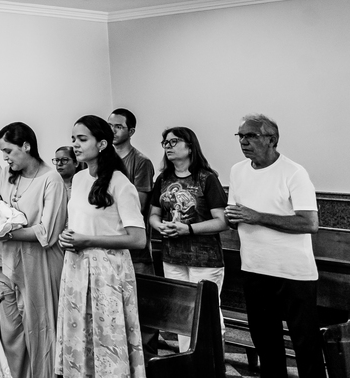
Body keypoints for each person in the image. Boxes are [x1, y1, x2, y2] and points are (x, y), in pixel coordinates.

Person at [226, 114, 324, 378]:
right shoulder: (238, 171)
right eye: (241, 136)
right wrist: (233, 219)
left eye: (251, 136)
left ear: (272, 139)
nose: (244, 142)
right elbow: (236, 214)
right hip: (255, 267)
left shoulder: (293, 172)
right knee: (265, 341)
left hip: (293, 272)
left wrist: (258, 217)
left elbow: (309, 223)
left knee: (305, 343)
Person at [57, 115, 147, 378]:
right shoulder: (80, 179)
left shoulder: (120, 182)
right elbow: (79, 222)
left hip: (107, 272)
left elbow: (138, 239)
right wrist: (67, 237)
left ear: (102, 144)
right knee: (80, 336)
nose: (75, 144)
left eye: (82, 139)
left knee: (107, 337)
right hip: (76, 266)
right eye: (73, 138)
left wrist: (89, 241)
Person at [0, 122, 67, 378]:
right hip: (6, 259)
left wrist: (6, 233)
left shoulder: (50, 179)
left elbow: (47, 231)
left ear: (26, 146)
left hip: (38, 262)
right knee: (10, 331)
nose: (5, 158)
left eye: (8, 151)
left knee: (40, 330)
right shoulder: (8, 175)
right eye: (2, 153)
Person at [148, 127, 228, 351]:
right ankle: (188, 363)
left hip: (204, 258)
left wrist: (188, 229)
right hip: (172, 256)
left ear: (190, 146)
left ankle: (211, 365)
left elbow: (222, 221)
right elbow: (153, 214)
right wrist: (160, 226)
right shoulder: (163, 179)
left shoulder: (206, 178)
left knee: (206, 315)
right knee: (181, 315)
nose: (168, 146)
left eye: (174, 142)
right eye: (165, 143)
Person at [110, 108, 156, 275]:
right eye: (109, 125)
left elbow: (140, 204)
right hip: (108, 240)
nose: (112, 131)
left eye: (118, 127)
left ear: (131, 131)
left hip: (134, 245)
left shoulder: (141, 162)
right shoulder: (100, 161)